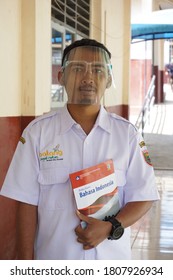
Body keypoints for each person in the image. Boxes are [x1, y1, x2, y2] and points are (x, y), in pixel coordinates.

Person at [0, 38, 160, 260]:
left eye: (98, 70)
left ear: (108, 78)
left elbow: (144, 196)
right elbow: (26, 203)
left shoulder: (128, 135)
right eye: (77, 69)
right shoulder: (37, 134)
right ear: (61, 77)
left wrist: (110, 227)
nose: (88, 78)